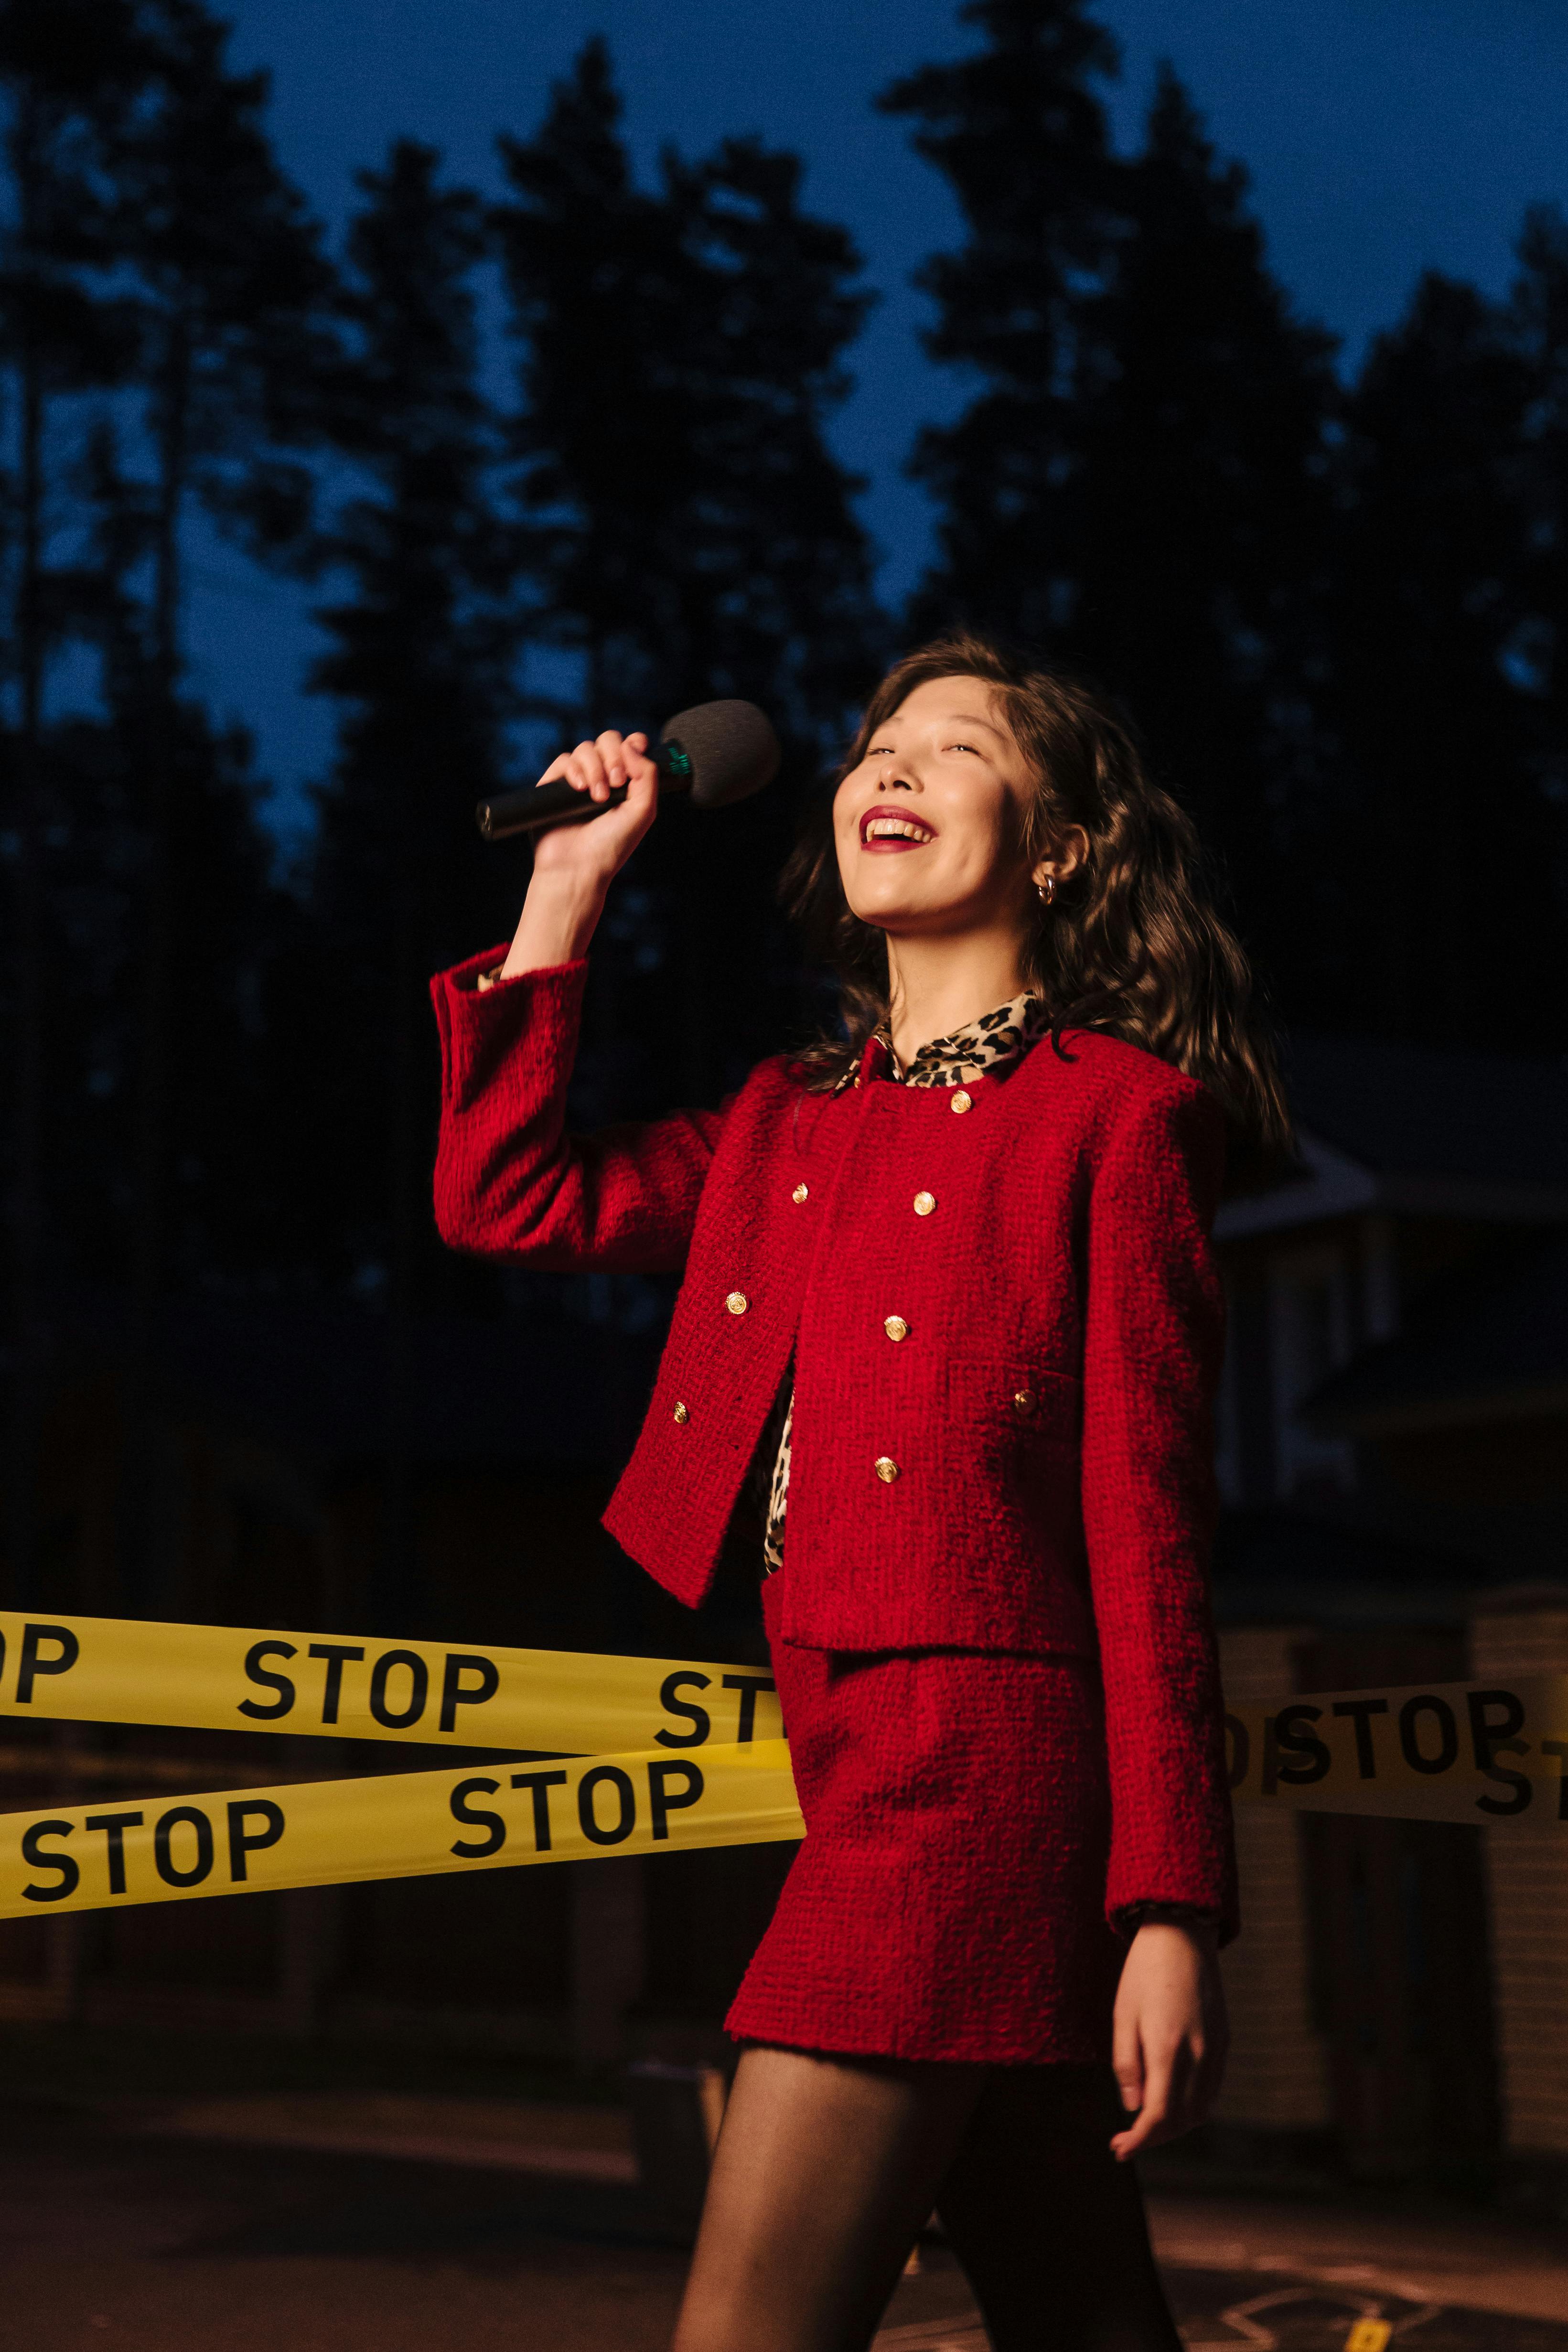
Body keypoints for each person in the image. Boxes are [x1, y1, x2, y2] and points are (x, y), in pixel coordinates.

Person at [430, 631, 1290, 2352]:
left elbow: (1148, 1533)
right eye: (874, 746)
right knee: (1080, 2311)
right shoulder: (786, 1120)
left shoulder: (1117, 1124)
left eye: (952, 749)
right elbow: (506, 1199)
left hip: (976, 1773)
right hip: (844, 1748)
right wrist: (568, 892)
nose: (886, 768)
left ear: (1054, 850)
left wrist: (1171, 1908)